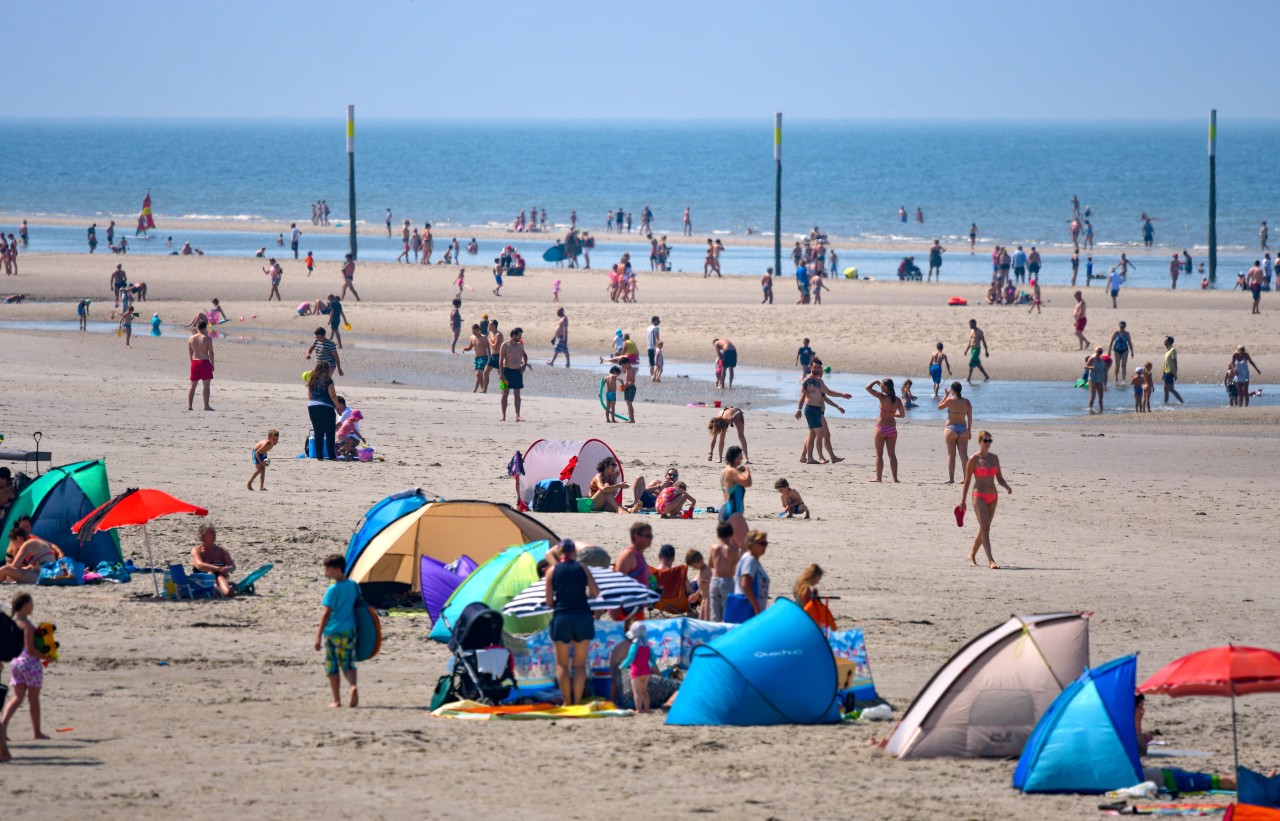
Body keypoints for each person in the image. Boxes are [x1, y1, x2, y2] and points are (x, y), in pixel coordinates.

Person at [542, 539, 600, 707]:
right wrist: (583, 596)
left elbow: (549, 602)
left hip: (563, 616)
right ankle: (577, 701)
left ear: (559, 552)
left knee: (562, 664)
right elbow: (595, 592)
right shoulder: (582, 568)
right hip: (582, 615)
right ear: (574, 552)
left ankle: (567, 702)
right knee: (580, 665)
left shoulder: (552, 571)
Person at [1, 592, 51, 742]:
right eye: (31, 604)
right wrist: (46, 657)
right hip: (30, 663)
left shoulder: (12, 623)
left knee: (17, 698)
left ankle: (2, 728)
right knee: (33, 698)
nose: (33, 607)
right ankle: (37, 732)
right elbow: (30, 649)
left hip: (16, 662)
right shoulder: (27, 625)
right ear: (26, 606)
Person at [960, 430, 1012, 569]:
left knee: (985, 527)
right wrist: (963, 500)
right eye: (986, 441)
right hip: (979, 496)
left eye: (990, 441)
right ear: (979, 441)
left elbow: (999, 478)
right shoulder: (973, 459)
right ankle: (991, 560)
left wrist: (1006, 486)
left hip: (993, 496)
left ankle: (971, 554)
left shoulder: (994, 458)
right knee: (985, 528)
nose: (988, 444)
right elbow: (967, 481)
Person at [314, 554, 360, 708]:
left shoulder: (333, 589)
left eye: (328, 570)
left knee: (332, 666)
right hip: (350, 629)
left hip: (333, 631)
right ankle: (353, 686)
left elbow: (326, 614)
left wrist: (318, 636)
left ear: (337, 569)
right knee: (348, 664)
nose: (325, 573)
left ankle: (337, 700)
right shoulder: (353, 585)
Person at [724, 530, 769, 623]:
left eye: (766, 543)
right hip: (748, 607)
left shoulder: (752, 560)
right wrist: (756, 607)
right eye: (762, 543)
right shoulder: (750, 560)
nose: (765, 547)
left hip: (750, 607)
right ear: (751, 544)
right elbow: (745, 584)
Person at [866, 379, 905, 483]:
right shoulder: (897, 400)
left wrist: (874, 381)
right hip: (892, 429)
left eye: (882, 386)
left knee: (879, 454)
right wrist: (893, 414)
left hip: (881, 428)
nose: (880, 387)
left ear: (887, 387)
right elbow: (902, 415)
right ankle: (895, 478)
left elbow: (867, 388)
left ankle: (878, 478)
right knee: (892, 455)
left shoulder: (882, 397)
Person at [936, 381, 974, 483]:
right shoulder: (967, 402)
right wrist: (969, 430)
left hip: (951, 429)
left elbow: (939, 407)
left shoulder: (949, 400)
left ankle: (951, 479)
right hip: (963, 429)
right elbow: (970, 418)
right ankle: (966, 478)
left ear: (952, 390)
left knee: (951, 455)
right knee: (964, 455)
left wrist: (946, 396)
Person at [613, 524, 653, 621]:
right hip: (627, 611)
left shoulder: (639, 554)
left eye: (651, 536)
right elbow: (617, 584)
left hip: (637, 609)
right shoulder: (629, 555)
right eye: (648, 536)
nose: (651, 539)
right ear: (636, 537)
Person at [191, 524, 237, 597]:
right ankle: (215, 590)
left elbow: (232, 566)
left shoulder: (221, 551)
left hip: (220, 575)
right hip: (203, 578)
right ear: (203, 535)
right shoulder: (197, 550)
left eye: (214, 532)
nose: (214, 534)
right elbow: (200, 565)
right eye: (211, 532)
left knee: (220, 577)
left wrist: (227, 569)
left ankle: (227, 591)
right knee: (211, 573)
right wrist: (218, 568)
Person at [719, 446, 751, 549]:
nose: (741, 459)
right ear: (736, 458)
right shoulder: (732, 472)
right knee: (746, 546)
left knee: (730, 548)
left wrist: (738, 471)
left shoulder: (724, 472)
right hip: (734, 512)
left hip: (724, 510)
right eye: (740, 457)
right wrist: (747, 471)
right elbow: (748, 483)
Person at [619, 622, 654, 713]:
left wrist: (622, 666)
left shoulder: (634, 646)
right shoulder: (647, 646)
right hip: (646, 671)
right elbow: (654, 657)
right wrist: (650, 665)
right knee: (644, 691)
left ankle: (639, 709)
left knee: (637, 692)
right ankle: (647, 708)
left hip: (636, 672)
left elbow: (630, 658)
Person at [707, 521, 739, 623]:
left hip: (715, 581)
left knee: (715, 615)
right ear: (731, 534)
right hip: (727, 581)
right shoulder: (733, 550)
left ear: (718, 534)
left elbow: (711, 564)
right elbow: (737, 564)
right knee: (727, 614)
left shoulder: (714, 548)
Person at [307, 362, 339, 460]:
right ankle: (332, 456)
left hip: (312, 406)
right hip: (326, 407)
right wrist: (338, 407)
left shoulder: (312, 379)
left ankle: (319, 456)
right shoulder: (328, 380)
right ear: (327, 369)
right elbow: (333, 395)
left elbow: (309, 394)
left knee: (318, 432)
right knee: (330, 432)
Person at [499, 327, 528, 422]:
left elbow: (525, 355)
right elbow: (500, 359)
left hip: (517, 373)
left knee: (517, 394)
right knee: (504, 394)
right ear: (514, 335)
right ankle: (503, 415)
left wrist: (524, 365)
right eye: (519, 335)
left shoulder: (520, 345)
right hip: (507, 372)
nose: (520, 337)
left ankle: (518, 415)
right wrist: (501, 373)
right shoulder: (505, 345)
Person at [187, 320, 215, 411]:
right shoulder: (207, 339)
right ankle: (206, 406)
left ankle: (190, 406)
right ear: (204, 327)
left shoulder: (191, 338)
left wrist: (192, 362)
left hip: (195, 362)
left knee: (192, 385)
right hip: (204, 362)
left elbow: (190, 354)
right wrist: (212, 364)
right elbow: (211, 353)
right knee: (206, 386)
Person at [462, 323, 490, 393]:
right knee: (479, 375)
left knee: (478, 374)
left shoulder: (483, 338)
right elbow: (470, 347)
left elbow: (488, 349)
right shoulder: (472, 337)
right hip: (477, 358)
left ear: (479, 330)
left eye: (475, 331)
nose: (474, 333)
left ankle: (480, 389)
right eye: (473, 332)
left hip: (484, 358)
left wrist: (490, 358)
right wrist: (465, 349)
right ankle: (480, 389)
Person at [1162, 336, 1184, 404]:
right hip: (1166, 372)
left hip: (1170, 372)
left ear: (1169, 342)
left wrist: (1175, 373)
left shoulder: (1172, 350)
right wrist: (1163, 373)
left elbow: (1175, 362)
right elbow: (1166, 363)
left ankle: (1167, 403)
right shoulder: (1167, 351)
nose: (1164, 341)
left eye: (1165, 340)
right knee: (1169, 389)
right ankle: (1168, 402)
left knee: (1168, 389)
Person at [1086, 347, 1109, 413]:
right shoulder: (1092, 358)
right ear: (1095, 351)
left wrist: (1105, 371)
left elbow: (1104, 368)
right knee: (1093, 395)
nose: (1099, 353)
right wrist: (1092, 367)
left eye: (1101, 352)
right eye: (1098, 352)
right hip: (1092, 378)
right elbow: (1086, 367)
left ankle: (1101, 409)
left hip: (1100, 378)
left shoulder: (1102, 360)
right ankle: (1090, 409)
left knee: (1101, 396)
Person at [645, 316, 661, 381]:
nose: (659, 321)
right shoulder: (656, 328)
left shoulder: (648, 328)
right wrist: (659, 346)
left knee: (651, 363)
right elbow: (657, 338)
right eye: (658, 320)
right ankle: (655, 376)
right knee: (656, 363)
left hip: (649, 347)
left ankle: (652, 376)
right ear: (654, 321)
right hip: (654, 348)